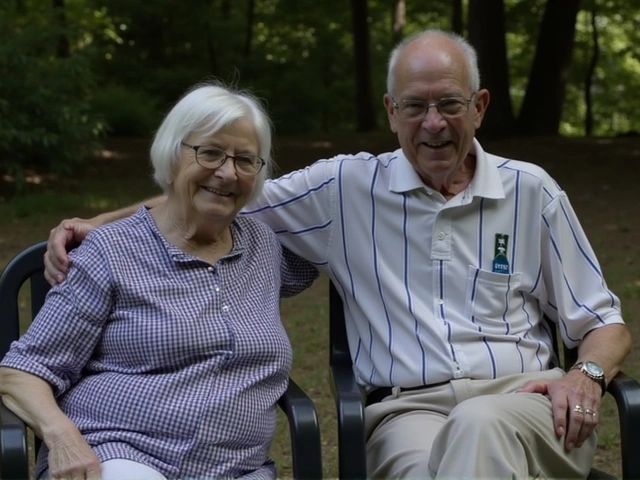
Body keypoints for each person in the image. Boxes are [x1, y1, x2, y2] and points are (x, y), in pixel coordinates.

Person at [42, 29, 631, 479]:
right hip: (408, 415)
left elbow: (604, 321)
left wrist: (586, 373)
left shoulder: (532, 190)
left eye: (450, 105)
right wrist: (100, 223)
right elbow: (216, 191)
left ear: (479, 106)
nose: (433, 124)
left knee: (479, 426)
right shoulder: (345, 188)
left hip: (529, 405)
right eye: (414, 106)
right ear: (390, 111)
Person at [0, 81, 318, 480]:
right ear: (171, 158)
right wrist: (62, 436)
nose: (227, 172)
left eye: (245, 160)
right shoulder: (110, 251)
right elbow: (22, 370)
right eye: (210, 152)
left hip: (239, 471)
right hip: (119, 457)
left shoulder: (266, 247)